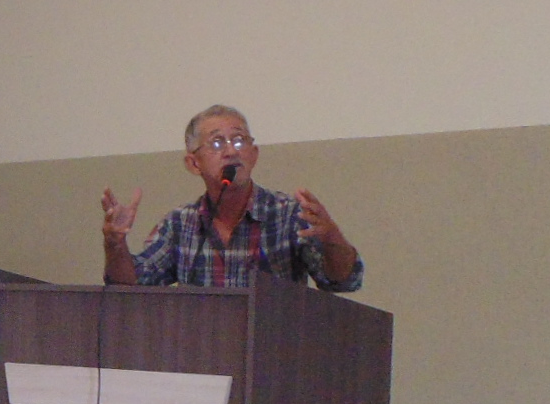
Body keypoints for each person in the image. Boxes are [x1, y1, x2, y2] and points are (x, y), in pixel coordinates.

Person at [102, 105, 362, 292]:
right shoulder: (180, 223)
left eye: (239, 141)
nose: (230, 151)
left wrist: (332, 238)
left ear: (254, 155)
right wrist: (115, 243)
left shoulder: (288, 214)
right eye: (217, 143)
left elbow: (344, 281)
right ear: (194, 163)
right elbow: (130, 286)